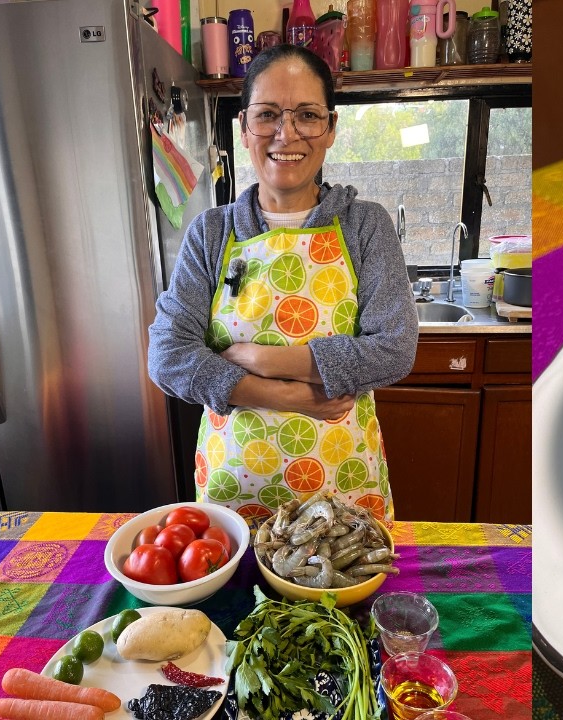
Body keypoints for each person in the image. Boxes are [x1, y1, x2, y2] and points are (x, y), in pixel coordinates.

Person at [148, 45, 418, 524]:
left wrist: (261, 357)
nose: (286, 134)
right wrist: (287, 396)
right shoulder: (212, 232)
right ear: (244, 126)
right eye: (268, 114)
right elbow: (168, 356)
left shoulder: (364, 226)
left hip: (342, 498)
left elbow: (395, 348)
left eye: (307, 116)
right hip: (233, 501)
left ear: (330, 128)